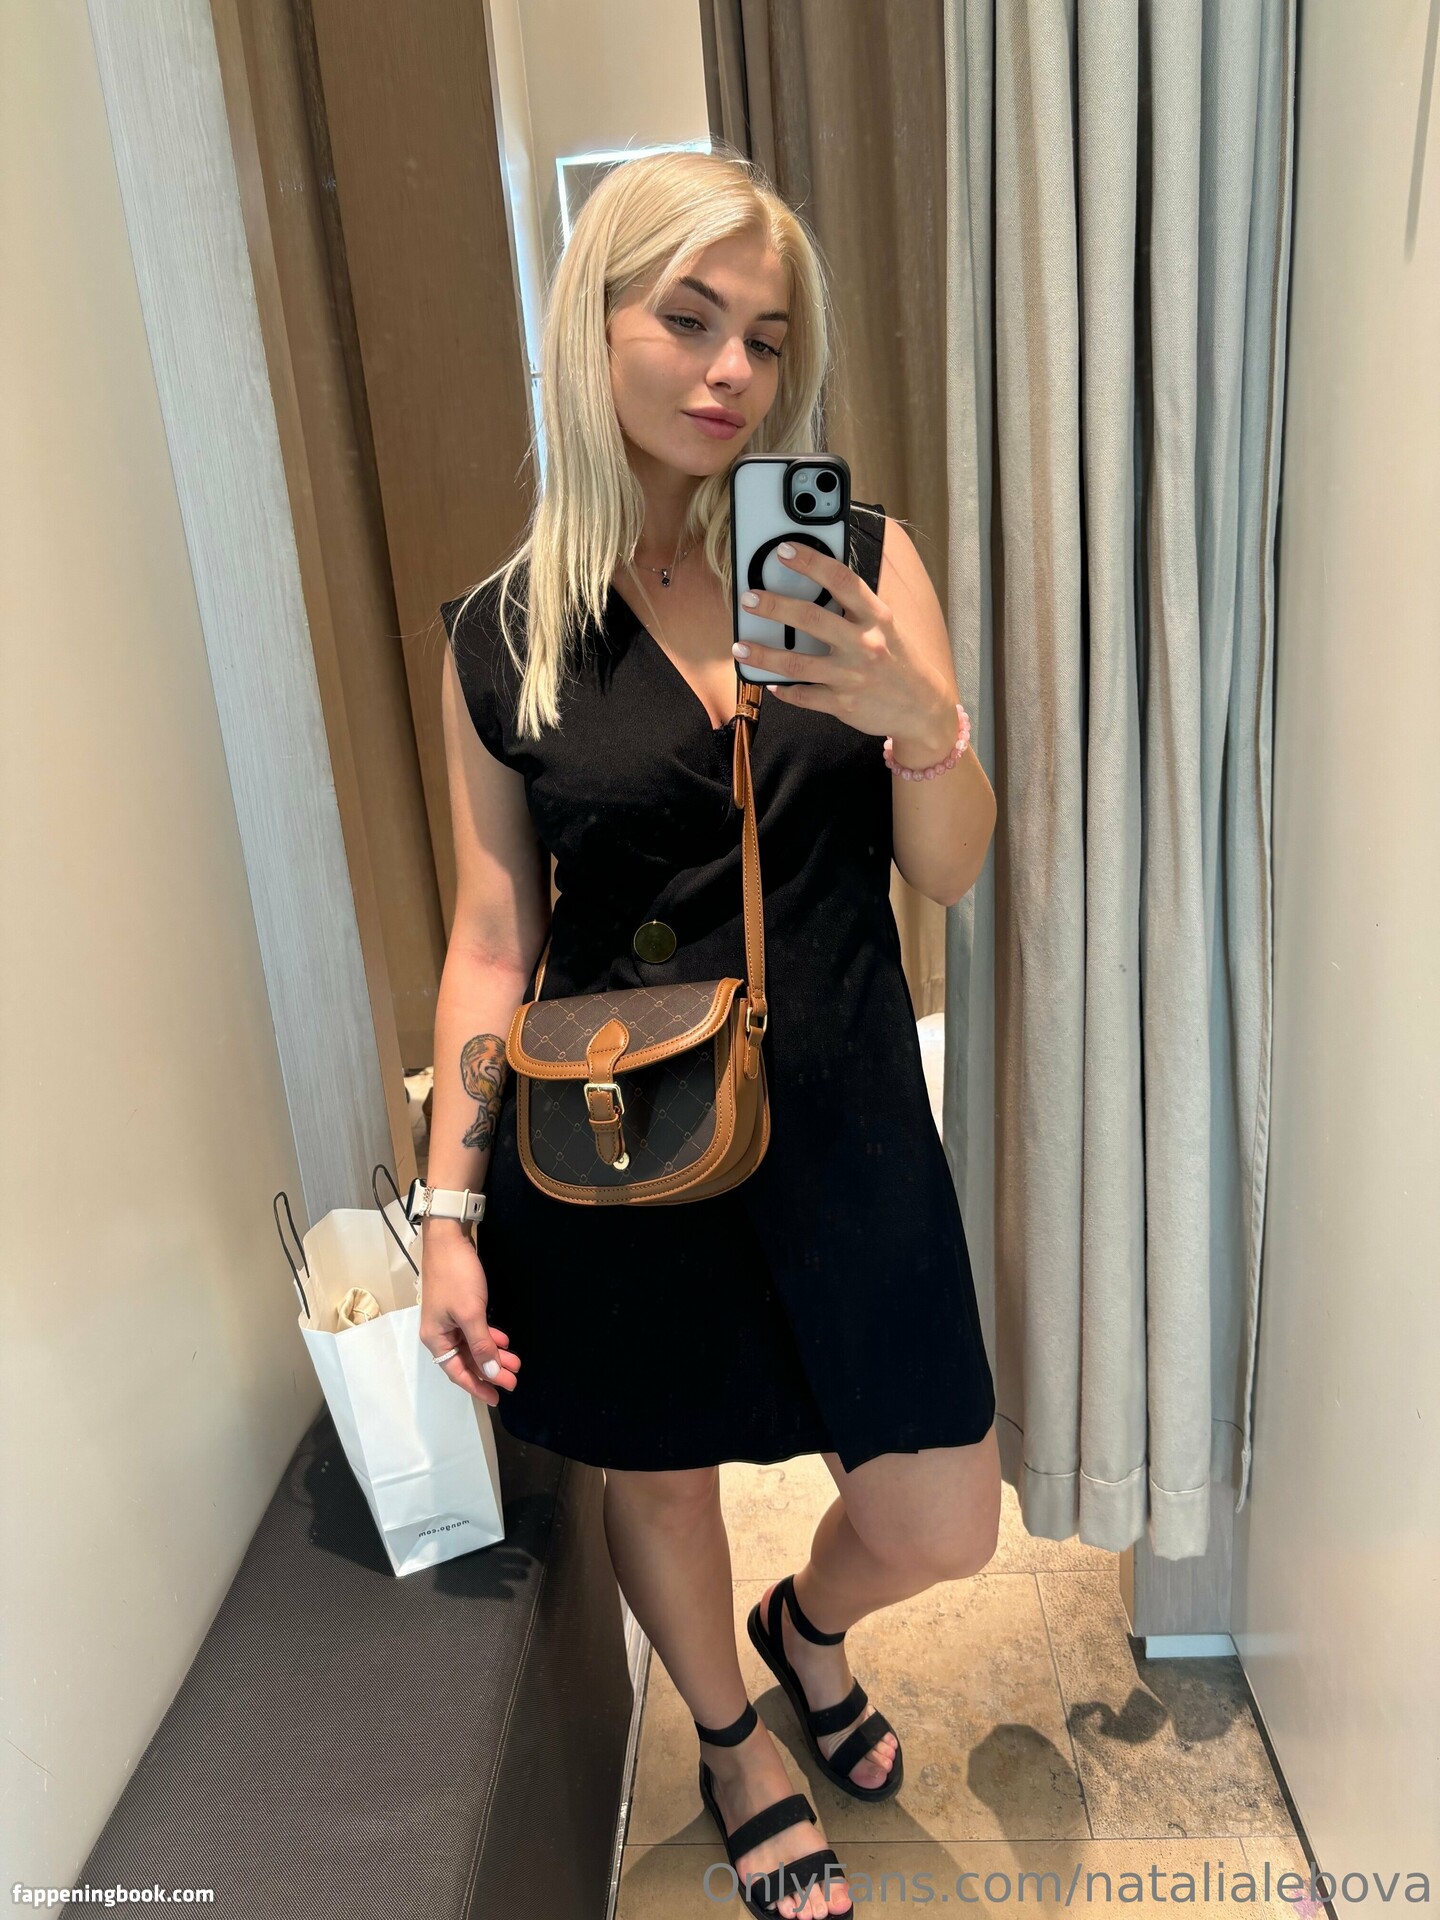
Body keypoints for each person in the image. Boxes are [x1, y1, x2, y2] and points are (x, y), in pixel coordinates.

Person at [425, 146, 1001, 1920]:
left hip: (847, 1114)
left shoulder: (859, 561)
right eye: (688, 319)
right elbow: (492, 941)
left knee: (942, 1516)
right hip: (627, 1141)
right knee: (659, 1479)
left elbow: (951, 869)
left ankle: (807, 1624)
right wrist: (447, 1214)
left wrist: (919, 717)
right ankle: (736, 1741)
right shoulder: (500, 636)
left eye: (764, 334)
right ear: (593, 322)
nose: (732, 369)